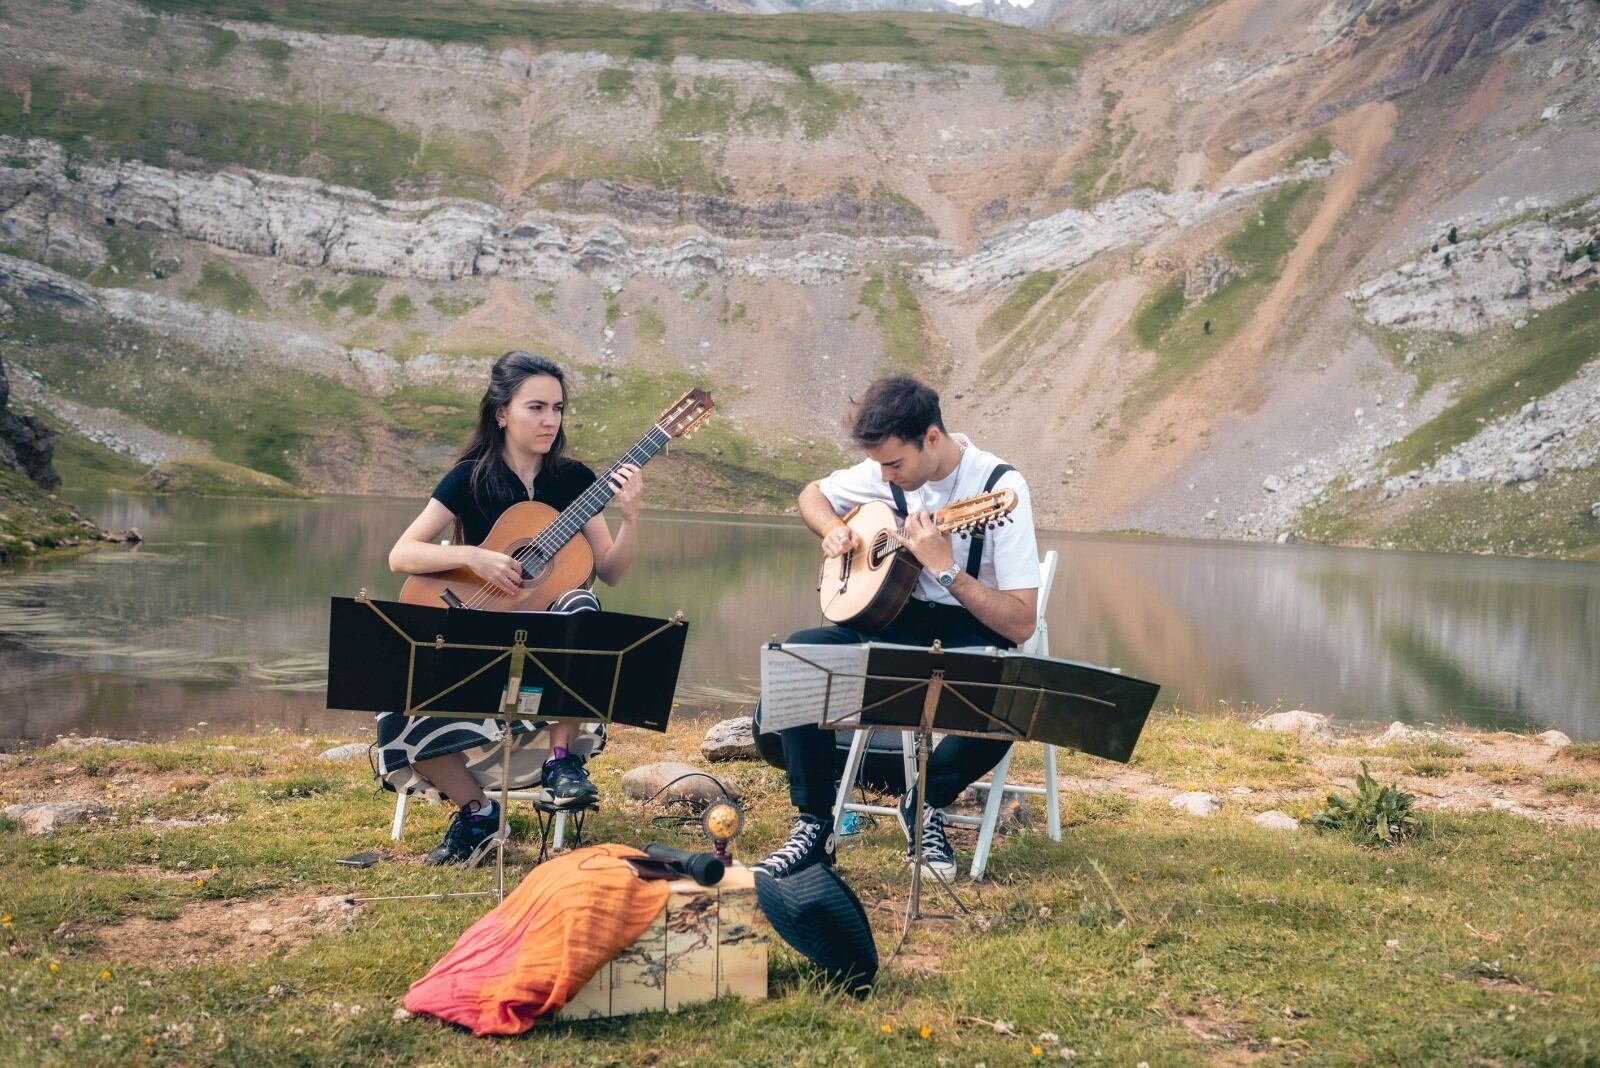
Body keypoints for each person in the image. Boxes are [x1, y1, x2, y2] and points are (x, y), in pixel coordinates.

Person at [754, 375, 1040, 881]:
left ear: (931, 438)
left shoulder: (1002, 490)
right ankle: (814, 828)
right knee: (796, 658)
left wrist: (947, 570)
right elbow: (812, 494)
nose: (884, 477)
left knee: (1017, 698)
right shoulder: (885, 472)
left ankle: (924, 802)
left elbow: (1020, 622)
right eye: (879, 465)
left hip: (972, 630)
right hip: (894, 620)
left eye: (894, 464)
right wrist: (834, 529)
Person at [380, 350, 643, 866]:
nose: (551, 420)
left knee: (581, 601)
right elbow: (401, 554)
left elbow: (609, 569)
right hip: (475, 645)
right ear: (501, 412)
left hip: (544, 665)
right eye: (537, 407)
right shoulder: (468, 479)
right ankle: (478, 815)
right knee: (395, 706)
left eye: (558, 408)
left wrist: (631, 518)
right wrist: (472, 557)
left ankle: (561, 764)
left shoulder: (573, 481)